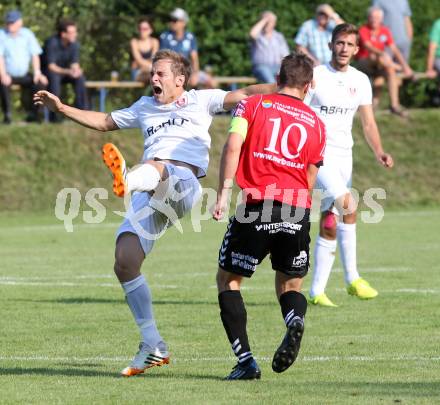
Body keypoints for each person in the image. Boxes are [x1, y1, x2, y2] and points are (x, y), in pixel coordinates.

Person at [34, 49, 276, 377]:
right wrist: (61, 107)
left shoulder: (201, 99)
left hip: (183, 183)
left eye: (161, 73)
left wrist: (286, 85)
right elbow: (105, 122)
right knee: (125, 261)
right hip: (151, 192)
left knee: (156, 166)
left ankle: (128, 180)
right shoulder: (144, 106)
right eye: (152, 73)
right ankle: (153, 345)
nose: (154, 78)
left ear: (180, 79)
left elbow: (246, 94)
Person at [212, 52, 326, 380]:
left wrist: (223, 191)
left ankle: (246, 361)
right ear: (308, 86)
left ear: (277, 78)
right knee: (290, 281)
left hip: (256, 205)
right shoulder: (316, 123)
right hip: (296, 207)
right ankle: (294, 320)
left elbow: (233, 145)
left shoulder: (253, 105)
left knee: (228, 280)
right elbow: (310, 174)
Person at [305, 23, 394, 307]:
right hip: (319, 155)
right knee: (349, 205)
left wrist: (379, 150)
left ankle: (317, 292)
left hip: (345, 157)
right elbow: (300, 112)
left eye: (349, 45)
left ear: (357, 49)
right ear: (331, 45)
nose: (344, 49)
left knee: (331, 221)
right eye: (339, 43)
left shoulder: (361, 80)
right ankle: (352, 278)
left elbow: (367, 121)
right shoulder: (316, 76)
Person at [356, 6, 413, 116]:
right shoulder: (363, 30)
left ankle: (394, 105)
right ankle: (397, 68)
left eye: (377, 18)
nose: (374, 20)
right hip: (364, 62)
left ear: (381, 19)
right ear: (368, 18)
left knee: (389, 72)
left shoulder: (385, 30)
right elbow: (368, 46)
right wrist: (383, 54)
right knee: (376, 57)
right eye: (372, 17)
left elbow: (394, 49)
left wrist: (405, 65)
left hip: (380, 64)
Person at [0, 10, 47, 124]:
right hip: (7, 74)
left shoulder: (28, 34)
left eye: (12, 22)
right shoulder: (1, 34)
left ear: (20, 22)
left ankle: (35, 114)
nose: (9, 25)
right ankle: (7, 116)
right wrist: (3, 75)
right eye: (8, 22)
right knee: (2, 83)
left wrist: (37, 72)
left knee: (40, 83)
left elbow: (35, 55)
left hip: (24, 74)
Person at [42, 18, 88, 122]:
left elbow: (74, 63)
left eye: (75, 32)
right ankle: (54, 116)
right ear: (63, 34)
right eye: (72, 32)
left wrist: (76, 70)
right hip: (50, 73)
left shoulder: (74, 44)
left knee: (80, 78)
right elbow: (51, 67)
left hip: (64, 73)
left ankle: (84, 113)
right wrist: (68, 71)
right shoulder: (51, 43)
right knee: (54, 79)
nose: (75, 34)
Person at [159, 8, 216, 88]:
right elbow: (163, 59)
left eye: (175, 20)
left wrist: (195, 73)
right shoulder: (165, 37)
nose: (171, 22)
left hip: (187, 70)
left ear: (183, 22)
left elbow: (194, 58)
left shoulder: (190, 37)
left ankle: (202, 100)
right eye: (170, 19)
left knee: (212, 82)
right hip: (171, 71)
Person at [249, 11, 289, 83]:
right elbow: (252, 34)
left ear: (274, 23)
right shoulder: (258, 35)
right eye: (266, 22)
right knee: (271, 82)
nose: (267, 24)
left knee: (289, 79)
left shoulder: (279, 37)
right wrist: (265, 20)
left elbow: (285, 55)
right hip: (261, 67)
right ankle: (275, 93)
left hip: (277, 66)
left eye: (270, 21)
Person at [130, 17, 159, 83]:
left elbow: (153, 59)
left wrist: (142, 65)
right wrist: (150, 66)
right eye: (140, 29)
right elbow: (138, 60)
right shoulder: (134, 42)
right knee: (154, 77)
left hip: (150, 71)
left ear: (151, 30)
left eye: (145, 29)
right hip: (138, 73)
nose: (142, 31)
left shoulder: (154, 42)